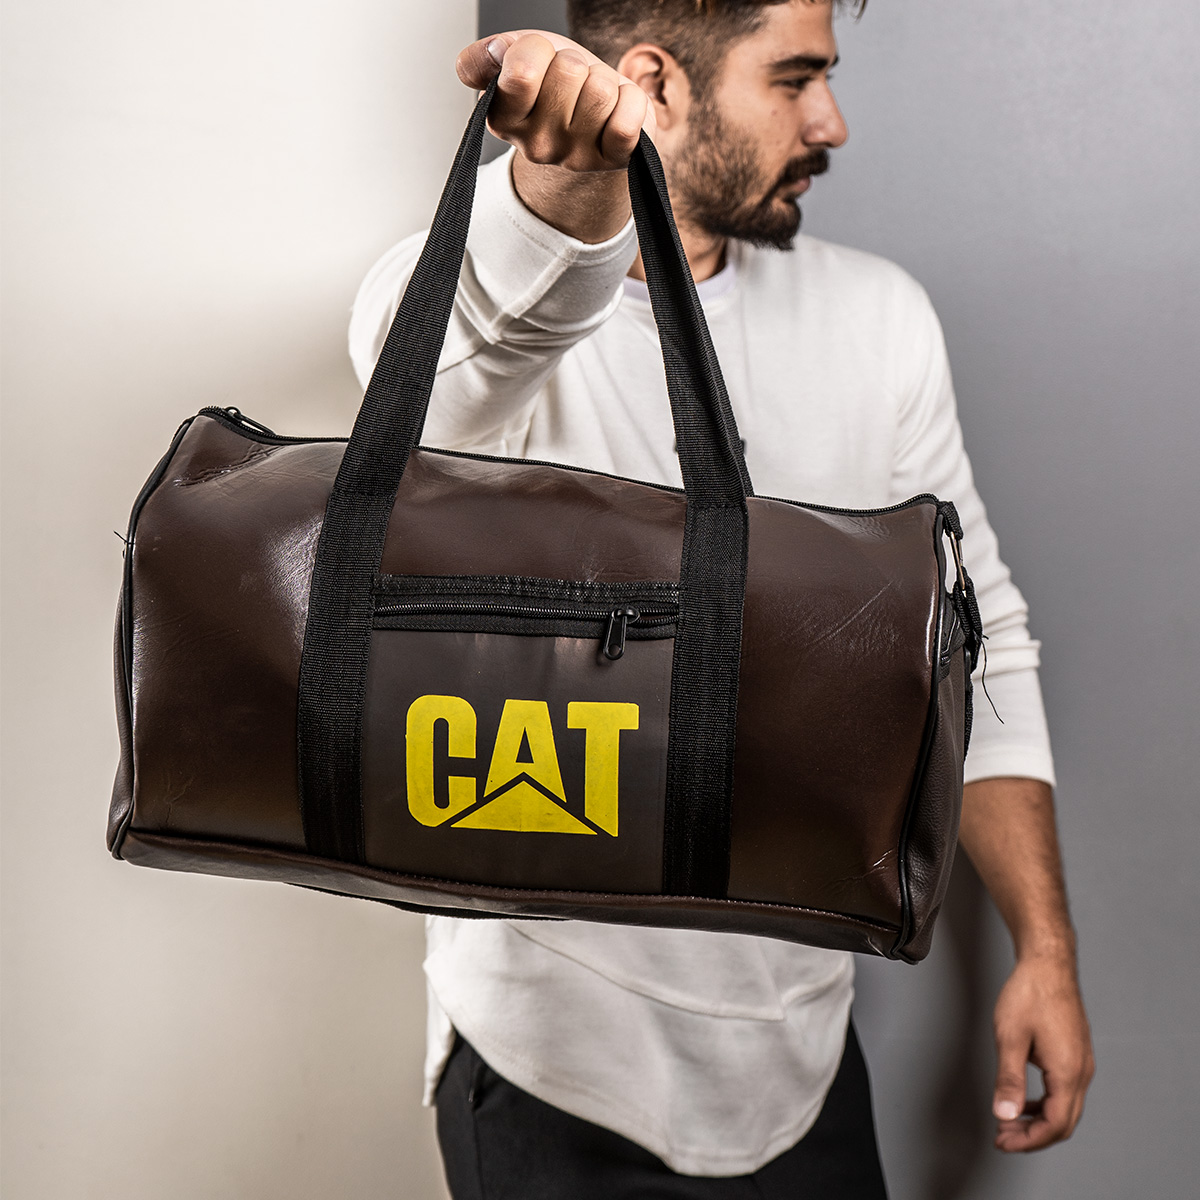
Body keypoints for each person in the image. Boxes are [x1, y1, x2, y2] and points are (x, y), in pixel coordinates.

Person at [348, 2, 1095, 1194]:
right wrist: (561, 195)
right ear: (655, 81)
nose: (831, 122)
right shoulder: (495, 297)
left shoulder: (878, 318)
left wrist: (1044, 947)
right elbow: (436, 384)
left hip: (804, 1063)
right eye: (794, 79)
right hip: (554, 1071)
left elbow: (978, 642)